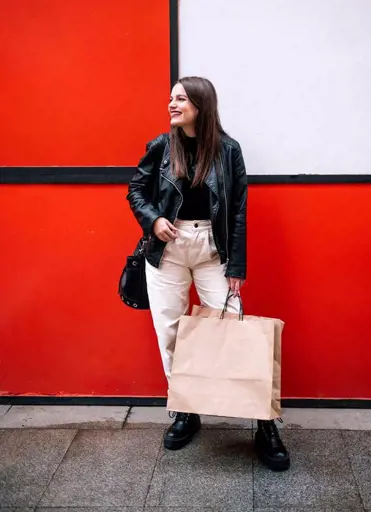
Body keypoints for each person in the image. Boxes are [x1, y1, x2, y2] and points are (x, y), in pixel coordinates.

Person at [127, 76, 290, 471]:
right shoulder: (161, 147)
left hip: (212, 248)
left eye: (180, 98)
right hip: (168, 248)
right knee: (169, 331)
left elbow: (237, 209)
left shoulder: (228, 150)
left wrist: (237, 265)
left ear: (201, 104)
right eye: (170, 97)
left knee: (232, 328)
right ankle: (187, 411)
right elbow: (136, 189)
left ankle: (264, 422)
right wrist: (153, 220)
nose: (172, 103)